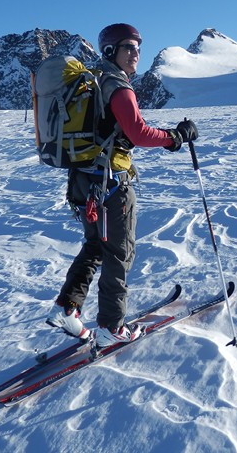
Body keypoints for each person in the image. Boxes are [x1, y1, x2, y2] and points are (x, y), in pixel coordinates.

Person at [45, 23, 198, 348]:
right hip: (111, 185)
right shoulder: (117, 86)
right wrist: (174, 138)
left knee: (96, 247)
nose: (136, 54)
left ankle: (66, 308)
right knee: (119, 252)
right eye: (129, 47)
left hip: (84, 183)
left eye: (138, 48)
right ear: (112, 51)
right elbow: (138, 132)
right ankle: (111, 327)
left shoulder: (94, 82)